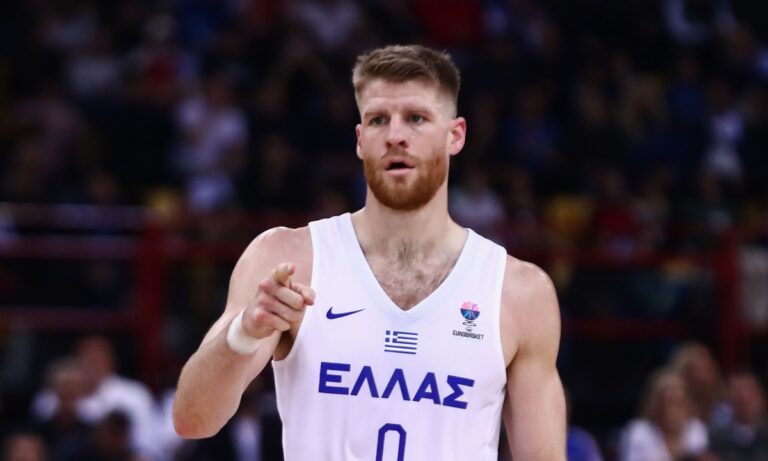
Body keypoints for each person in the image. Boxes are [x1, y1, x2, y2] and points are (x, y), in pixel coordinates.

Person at [173, 44, 566, 460]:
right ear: (361, 140)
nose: (395, 135)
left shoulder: (519, 292)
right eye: (379, 120)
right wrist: (244, 332)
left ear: (455, 135)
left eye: (415, 118)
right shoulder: (289, 259)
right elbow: (192, 420)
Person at [619, 368, 709, 461]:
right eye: (669, 403)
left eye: (679, 403)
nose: (674, 411)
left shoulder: (696, 430)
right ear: (655, 405)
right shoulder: (638, 432)